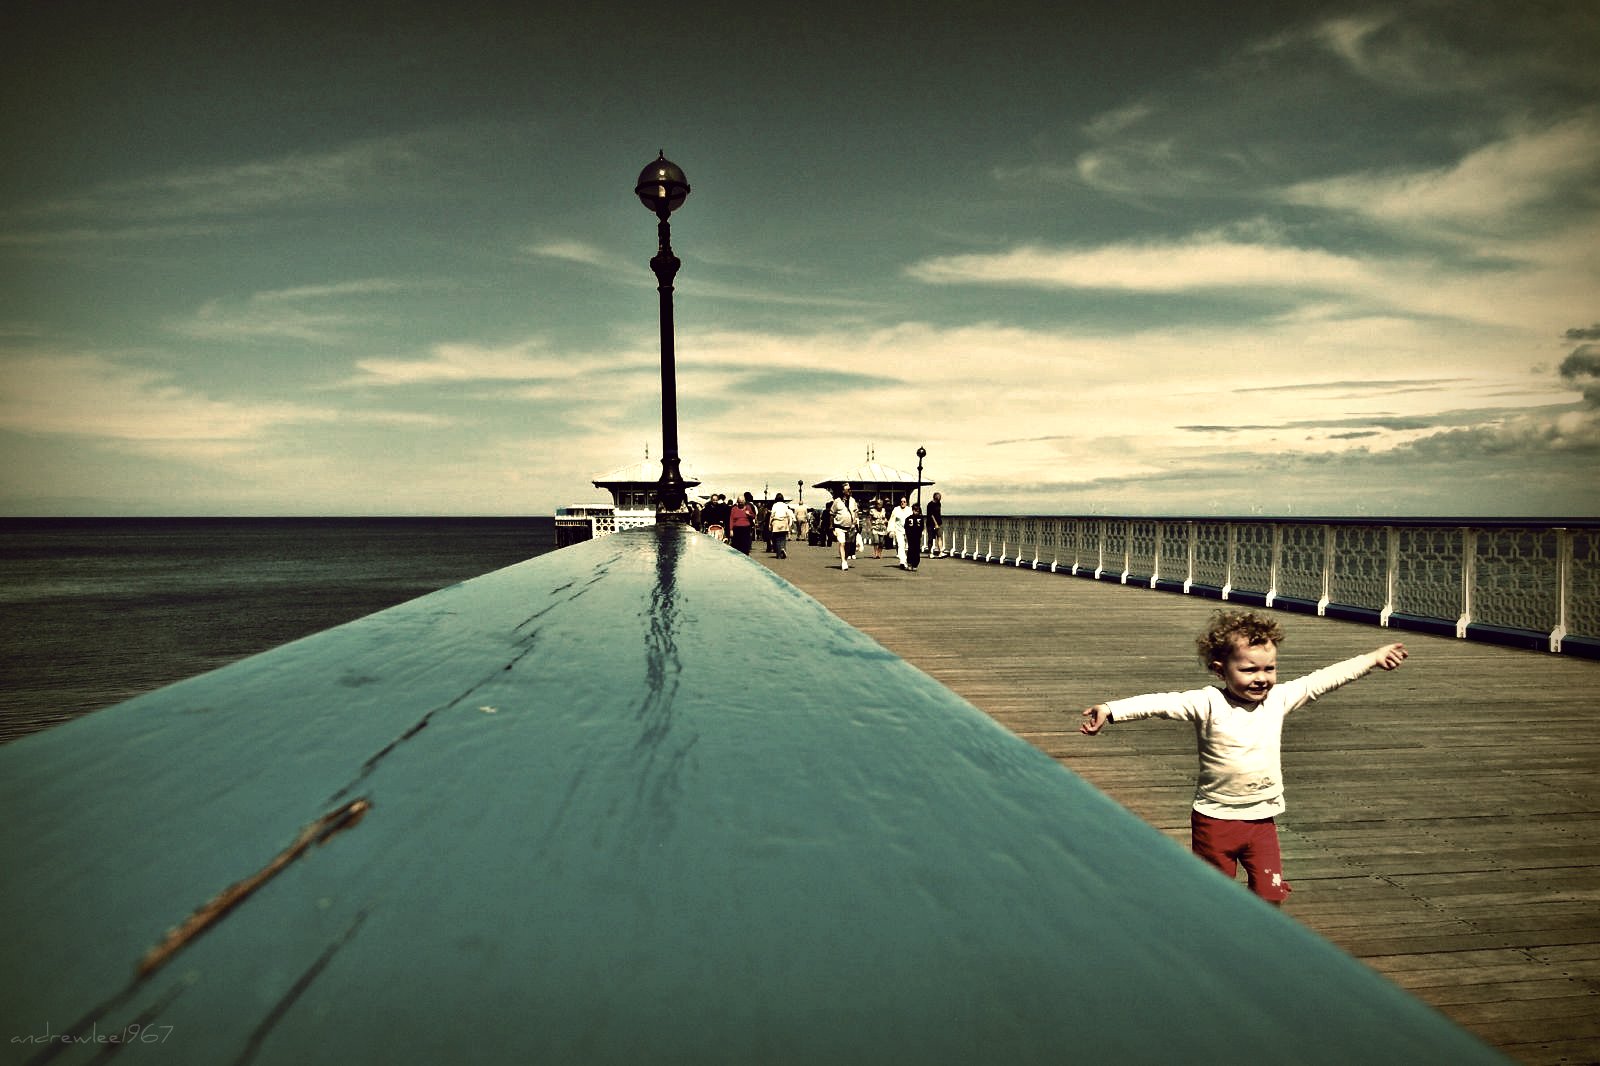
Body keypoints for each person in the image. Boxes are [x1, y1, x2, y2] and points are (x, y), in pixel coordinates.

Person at [1079, 609, 1408, 905]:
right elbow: (1160, 703)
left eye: (1270, 668)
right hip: (1214, 820)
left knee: (1269, 891)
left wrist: (1372, 658)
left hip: (1262, 820)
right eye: (1249, 669)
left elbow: (1322, 680)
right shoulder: (1207, 702)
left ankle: (1265, 943)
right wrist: (1111, 710)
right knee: (1214, 896)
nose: (1261, 678)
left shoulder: (1278, 699)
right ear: (1220, 670)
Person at [829, 483, 860, 571]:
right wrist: (831, 526)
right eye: (848, 490)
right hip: (839, 526)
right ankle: (843, 561)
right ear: (843, 491)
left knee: (848, 545)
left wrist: (856, 522)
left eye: (850, 489)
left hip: (850, 527)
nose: (850, 491)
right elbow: (831, 514)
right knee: (842, 543)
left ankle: (845, 559)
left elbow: (856, 512)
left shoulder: (853, 501)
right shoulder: (837, 501)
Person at [767, 493, 795, 559]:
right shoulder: (785, 505)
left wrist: (770, 524)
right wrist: (789, 524)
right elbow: (788, 514)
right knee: (783, 538)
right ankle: (783, 549)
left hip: (776, 522)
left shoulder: (774, 505)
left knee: (777, 539)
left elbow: (772, 515)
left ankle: (779, 554)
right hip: (784, 522)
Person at [888, 495, 912, 569]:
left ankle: (909, 561)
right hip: (899, 531)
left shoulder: (909, 510)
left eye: (904, 502)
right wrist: (891, 531)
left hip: (908, 531)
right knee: (901, 545)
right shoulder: (896, 509)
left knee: (908, 547)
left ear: (906, 503)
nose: (902, 503)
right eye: (901, 502)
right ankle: (902, 562)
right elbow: (892, 520)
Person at [902, 503, 926, 571]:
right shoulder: (919, 518)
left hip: (915, 537)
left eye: (917, 510)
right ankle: (911, 563)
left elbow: (906, 527)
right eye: (915, 510)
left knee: (915, 550)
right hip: (912, 537)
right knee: (913, 550)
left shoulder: (909, 518)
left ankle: (914, 564)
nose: (916, 511)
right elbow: (921, 527)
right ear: (912, 510)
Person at [926, 491, 943, 557]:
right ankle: (930, 552)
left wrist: (939, 523)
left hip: (938, 523)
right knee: (930, 538)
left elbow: (938, 513)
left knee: (939, 536)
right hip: (930, 524)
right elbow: (931, 515)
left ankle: (940, 552)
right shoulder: (930, 504)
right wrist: (935, 523)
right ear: (935, 497)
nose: (940, 498)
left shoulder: (939, 504)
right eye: (939, 496)